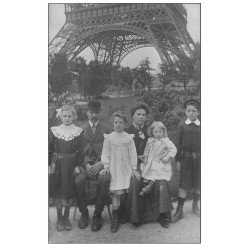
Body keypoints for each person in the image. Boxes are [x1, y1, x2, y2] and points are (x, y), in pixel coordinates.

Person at [74, 100, 113, 231]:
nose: (94, 114)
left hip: (102, 163)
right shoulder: (79, 130)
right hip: (85, 164)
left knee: (105, 179)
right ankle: (84, 213)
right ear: (87, 112)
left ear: (99, 113)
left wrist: (102, 163)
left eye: (96, 112)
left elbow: (112, 150)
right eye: (91, 112)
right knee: (78, 179)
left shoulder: (107, 129)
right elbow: (77, 151)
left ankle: (97, 214)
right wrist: (87, 164)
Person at [49, 105, 85, 231]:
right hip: (58, 163)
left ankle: (66, 217)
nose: (67, 118)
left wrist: (78, 165)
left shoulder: (78, 131)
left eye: (70, 116)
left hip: (71, 164)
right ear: (61, 116)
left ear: (74, 117)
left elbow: (81, 150)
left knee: (68, 189)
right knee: (59, 189)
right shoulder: (55, 130)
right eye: (64, 116)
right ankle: (59, 217)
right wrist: (50, 163)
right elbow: (49, 148)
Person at [100, 111, 137, 233]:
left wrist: (133, 168)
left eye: (121, 123)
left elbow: (133, 154)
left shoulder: (128, 138)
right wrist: (106, 166)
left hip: (125, 168)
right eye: (116, 122)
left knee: (124, 193)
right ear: (113, 123)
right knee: (116, 193)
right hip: (114, 169)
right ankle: (115, 218)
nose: (118, 125)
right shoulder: (109, 138)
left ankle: (123, 214)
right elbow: (105, 154)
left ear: (125, 124)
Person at [171, 99, 201, 223]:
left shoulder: (202, 125)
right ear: (185, 112)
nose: (191, 113)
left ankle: (195, 205)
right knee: (184, 184)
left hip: (199, 159)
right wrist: (178, 160)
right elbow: (177, 144)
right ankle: (180, 210)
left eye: (194, 111)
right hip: (186, 158)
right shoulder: (183, 126)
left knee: (199, 183)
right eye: (189, 111)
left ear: (198, 112)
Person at [124, 102, 150, 226]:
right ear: (132, 116)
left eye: (143, 115)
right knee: (136, 180)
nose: (141, 117)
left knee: (157, 179)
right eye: (138, 114)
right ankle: (135, 216)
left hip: (147, 163)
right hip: (130, 165)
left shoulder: (150, 130)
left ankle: (157, 214)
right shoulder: (127, 131)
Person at [139, 122, 177, 200]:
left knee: (156, 171)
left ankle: (149, 188)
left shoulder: (166, 141)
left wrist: (168, 157)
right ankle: (145, 186)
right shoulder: (150, 141)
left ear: (163, 132)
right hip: (151, 161)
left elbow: (173, 149)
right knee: (146, 170)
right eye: (156, 132)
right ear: (152, 132)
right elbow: (146, 151)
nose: (158, 134)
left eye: (160, 132)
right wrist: (145, 159)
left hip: (160, 162)